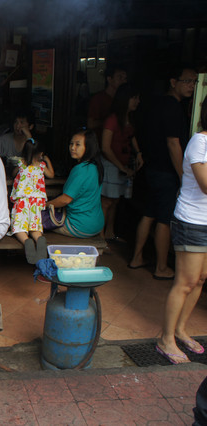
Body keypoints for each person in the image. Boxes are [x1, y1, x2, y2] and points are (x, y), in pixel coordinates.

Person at [128, 66, 198, 279]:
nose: (191, 86)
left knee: (149, 214)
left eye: (194, 82)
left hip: (152, 168)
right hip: (166, 172)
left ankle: (136, 257)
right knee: (164, 219)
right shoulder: (172, 107)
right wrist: (183, 176)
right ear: (173, 81)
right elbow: (173, 144)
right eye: (187, 81)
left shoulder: (157, 103)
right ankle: (161, 267)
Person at [155, 96, 207, 365]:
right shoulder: (200, 142)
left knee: (200, 279)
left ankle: (180, 330)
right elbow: (205, 184)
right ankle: (166, 339)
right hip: (192, 221)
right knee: (185, 282)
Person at [100, 83, 144, 241]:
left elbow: (131, 137)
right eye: (135, 98)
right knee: (106, 202)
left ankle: (110, 233)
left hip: (122, 164)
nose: (137, 101)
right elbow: (105, 148)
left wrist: (138, 153)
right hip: (111, 164)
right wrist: (121, 167)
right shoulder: (112, 119)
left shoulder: (129, 118)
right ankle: (101, 236)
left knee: (116, 201)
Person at [47, 129, 104, 238]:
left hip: (79, 226)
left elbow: (65, 199)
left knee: (34, 219)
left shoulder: (81, 169)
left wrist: (44, 205)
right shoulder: (96, 166)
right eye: (71, 144)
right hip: (97, 224)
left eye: (78, 145)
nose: (73, 148)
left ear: (88, 147)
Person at [10, 138, 55, 263]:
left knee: (19, 226)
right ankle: (38, 238)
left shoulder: (21, 164)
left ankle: (26, 241)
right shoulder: (41, 165)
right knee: (34, 226)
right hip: (37, 202)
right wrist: (47, 160)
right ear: (40, 153)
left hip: (22, 201)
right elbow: (51, 175)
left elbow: (14, 174)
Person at [87, 64, 128, 136]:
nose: (123, 81)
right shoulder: (98, 99)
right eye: (119, 77)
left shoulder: (124, 99)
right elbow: (91, 124)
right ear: (109, 79)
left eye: (125, 78)